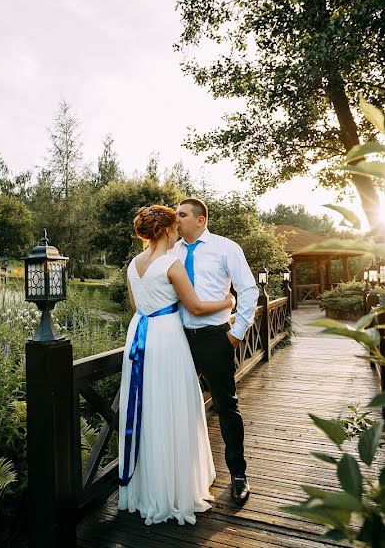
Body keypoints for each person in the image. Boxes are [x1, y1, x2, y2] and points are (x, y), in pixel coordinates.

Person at [118, 205, 235, 525]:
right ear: (167, 230)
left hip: (139, 338)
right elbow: (196, 307)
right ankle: (174, 490)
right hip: (167, 339)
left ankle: (147, 487)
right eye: (175, 228)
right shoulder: (171, 264)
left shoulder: (133, 264)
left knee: (147, 409)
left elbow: (135, 305)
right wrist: (229, 302)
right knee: (174, 408)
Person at [172, 197, 258, 504]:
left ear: (200, 220)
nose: (176, 218)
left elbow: (248, 289)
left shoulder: (226, 247)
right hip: (178, 338)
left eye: (181, 214)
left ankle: (238, 474)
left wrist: (236, 334)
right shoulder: (172, 252)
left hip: (215, 338)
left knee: (226, 406)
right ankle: (181, 478)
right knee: (178, 405)